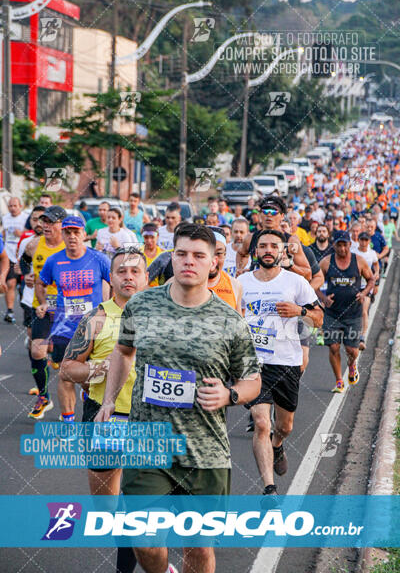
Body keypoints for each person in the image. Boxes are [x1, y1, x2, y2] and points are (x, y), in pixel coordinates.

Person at [95, 222, 260, 573]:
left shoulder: (229, 320)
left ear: (214, 262)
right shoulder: (141, 305)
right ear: (172, 257)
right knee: (144, 538)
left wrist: (230, 394)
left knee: (199, 550)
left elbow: (252, 381)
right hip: (148, 445)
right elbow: (123, 352)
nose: (189, 261)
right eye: (182, 253)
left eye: (199, 255)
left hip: (204, 452)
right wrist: (109, 399)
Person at [61, 247, 149, 573]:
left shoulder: (162, 316)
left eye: (134, 271)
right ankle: (133, 546)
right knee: (106, 505)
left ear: (145, 277)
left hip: (146, 417)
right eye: (121, 271)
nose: (128, 276)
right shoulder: (97, 319)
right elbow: (67, 369)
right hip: (104, 416)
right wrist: (99, 368)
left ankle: (131, 564)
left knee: (138, 502)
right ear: (110, 278)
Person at [238, 229, 323, 495]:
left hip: (286, 361)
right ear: (255, 251)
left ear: (282, 251)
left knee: (284, 426)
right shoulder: (241, 282)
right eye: (262, 246)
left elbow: (318, 319)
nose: (267, 250)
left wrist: (300, 311)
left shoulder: (295, 282)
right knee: (261, 422)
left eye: (273, 246)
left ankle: (277, 444)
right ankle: (269, 489)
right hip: (252, 362)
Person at [36, 216, 111, 422]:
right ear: (63, 234)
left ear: (84, 235)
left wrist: (111, 308)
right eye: (68, 232)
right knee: (65, 374)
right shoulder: (54, 261)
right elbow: (40, 283)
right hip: (64, 327)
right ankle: (68, 421)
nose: (72, 237)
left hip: (94, 328)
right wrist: (44, 303)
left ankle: (88, 394)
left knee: (92, 377)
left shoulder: (99, 259)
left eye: (76, 232)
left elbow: (117, 283)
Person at [21, 206, 67, 418]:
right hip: (41, 305)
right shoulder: (33, 245)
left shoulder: (71, 246)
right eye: (44, 222)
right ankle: (44, 396)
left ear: (61, 225)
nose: (46, 226)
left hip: (68, 307)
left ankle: (80, 401)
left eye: (51, 222)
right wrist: (26, 276)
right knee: (36, 350)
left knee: (72, 357)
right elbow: (21, 264)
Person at [318, 231, 374, 393]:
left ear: (350, 244)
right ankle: (339, 381)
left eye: (345, 244)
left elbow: (371, 279)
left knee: (352, 350)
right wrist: (323, 297)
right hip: (332, 313)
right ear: (334, 245)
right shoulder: (326, 262)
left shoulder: (359, 261)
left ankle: (351, 365)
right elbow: (313, 282)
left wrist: (364, 294)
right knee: (334, 347)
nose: (342, 248)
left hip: (353, 314)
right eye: (339, 245)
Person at [236, 196, 311, 281]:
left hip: (281, 291)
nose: (269, 214)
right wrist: (240, 269)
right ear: (260, 214)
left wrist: (290, 265)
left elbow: (308, 275)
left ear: (282, 216)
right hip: (257, 290)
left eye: (274, 211)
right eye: (265, 211)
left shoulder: (291, 241)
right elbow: (241, 253)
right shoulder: (250, 238)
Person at [15, 206, 45, 394]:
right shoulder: (28, 242)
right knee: (33, 342)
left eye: (42, 220)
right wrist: (26, 275)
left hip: (56, 301)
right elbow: (20, 266)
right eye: (34, 219)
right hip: (30, 298)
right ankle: (42, 389)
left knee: (53, 347)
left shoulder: (60, 243)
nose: (38, 223)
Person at [351, 231, 379, 351]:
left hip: (367, 285)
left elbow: (376, 265)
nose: (363, 242)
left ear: (369, 241)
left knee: (364, 310)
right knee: (353, 310)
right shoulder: (353, 252)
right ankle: (352, 333)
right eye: (361, 240)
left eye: (366, 240)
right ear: (359, 240)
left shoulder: (372, 253)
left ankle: (362, 337)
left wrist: (376, 276)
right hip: (354, 284)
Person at [2, 197, 27, 323]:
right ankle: (10, 310)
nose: (12, 208)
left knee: (24, 287)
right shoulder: (5, 218)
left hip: (23, 256)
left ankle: (26, 306)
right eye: (10, 206)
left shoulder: (25, 217)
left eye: (15, 205)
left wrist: (21, 234)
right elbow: (4, 234)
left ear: (20, 206)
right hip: (10, 255)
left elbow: (30, 233)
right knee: (10, 283)